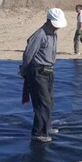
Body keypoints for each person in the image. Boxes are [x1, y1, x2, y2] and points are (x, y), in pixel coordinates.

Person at [19, 8, 67, 143]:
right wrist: (24, 70)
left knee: (49, 101)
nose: (58, 27)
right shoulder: (40, 34)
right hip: (37, 71)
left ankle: (46, 126)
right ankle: (38, 132)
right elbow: (28, 54)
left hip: (48, 71)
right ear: (49, 21)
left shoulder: (53, 33)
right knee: (42, 103)